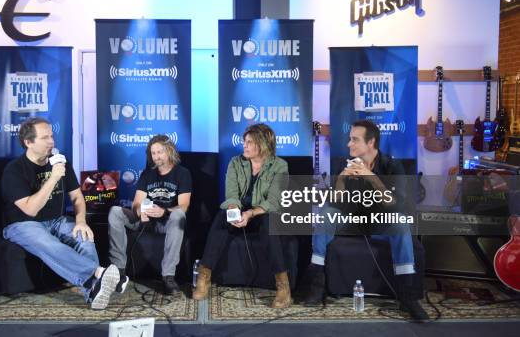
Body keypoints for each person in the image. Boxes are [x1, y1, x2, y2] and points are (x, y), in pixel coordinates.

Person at [303, 120, 428, 321]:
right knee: (326, 213)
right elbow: (336, 202)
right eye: (349, 139)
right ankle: (316, 286)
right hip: (353, 221)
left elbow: (396, 204)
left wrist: (371, 177)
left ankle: (408, 297)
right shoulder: (346, 163)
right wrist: (342, 180)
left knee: (401, 223)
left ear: (371, 143)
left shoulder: (392, 166)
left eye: (354, 140)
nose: (348, 144)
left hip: (380, 221)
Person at [1, 117, 128, 310]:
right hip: (22, 223)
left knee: (84, 237)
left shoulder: (61, 163)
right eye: (45, 138)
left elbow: (77, 198)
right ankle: (99, 273)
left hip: (57, 220)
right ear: (28, 142)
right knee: (47, 243)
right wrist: (53, 178)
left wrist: (80, 221)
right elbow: (31, 209)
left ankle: (93, 291)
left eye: (52, 136)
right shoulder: (14, 170)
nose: (52, 142)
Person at [192, 123, 291, 308]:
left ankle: (282, 286)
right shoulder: (235, 163)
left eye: (249, 142)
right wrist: (234, 210)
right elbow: (231, 194)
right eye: (244, 141)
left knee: (269, 222)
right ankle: (204, 276)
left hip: (262, 213)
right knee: (222, 217)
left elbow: (274, 201)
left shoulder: (280, 166)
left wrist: (251, 213)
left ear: (262, 144)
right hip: (240, 211)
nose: (244, 145)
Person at [108, 135, 192, 295]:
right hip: (146, 221)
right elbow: (136, 203)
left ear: (169, 151)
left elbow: (184, 205)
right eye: (153, 153)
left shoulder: (182, 173)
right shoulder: (147, 174)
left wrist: (164, 211)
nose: (156, 157)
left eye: (159, 152)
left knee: (179, 215)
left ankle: (168, 276)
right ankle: (118, 270)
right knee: (115, 212)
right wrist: (140, 211)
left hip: (167, 222)